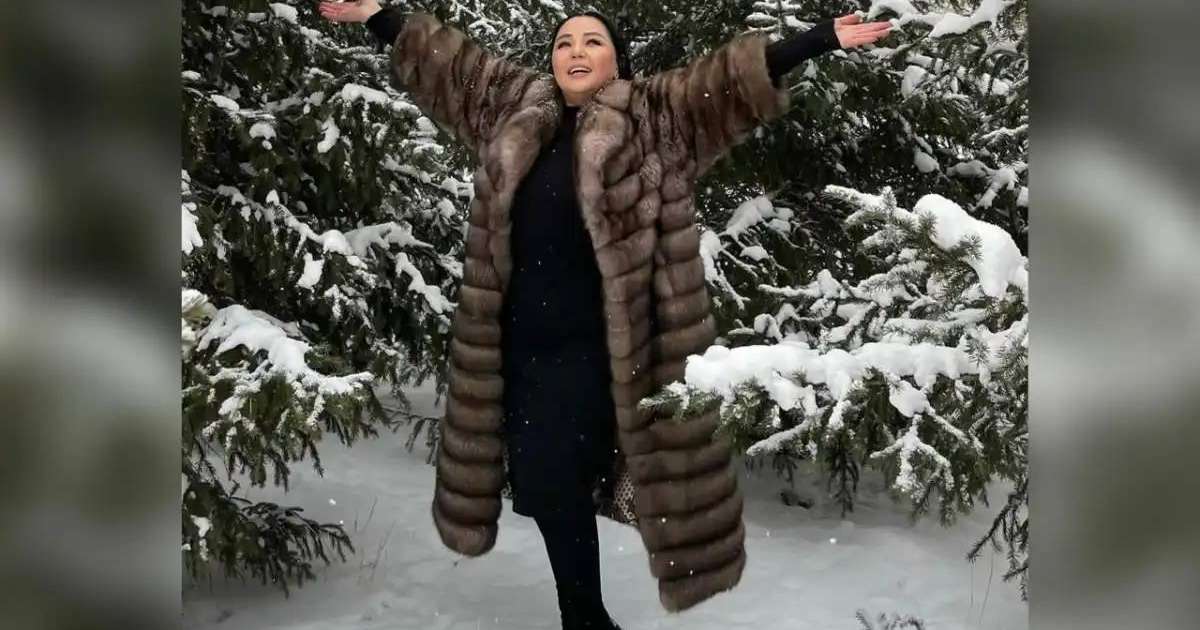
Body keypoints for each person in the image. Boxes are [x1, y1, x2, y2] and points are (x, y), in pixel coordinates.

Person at [318, 2, 891, 628]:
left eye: (593, 42)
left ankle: (584, 621)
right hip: (517, 347)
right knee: (541, 491)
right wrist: (376, 12)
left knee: (558, 479)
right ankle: (587, 617)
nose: (576, 52)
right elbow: (450, 65)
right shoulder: (514, 108)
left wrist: (820, 39)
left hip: (600, 349)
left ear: (616, 60)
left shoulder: (653, 115)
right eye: (565, 43)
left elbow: (724, 83)